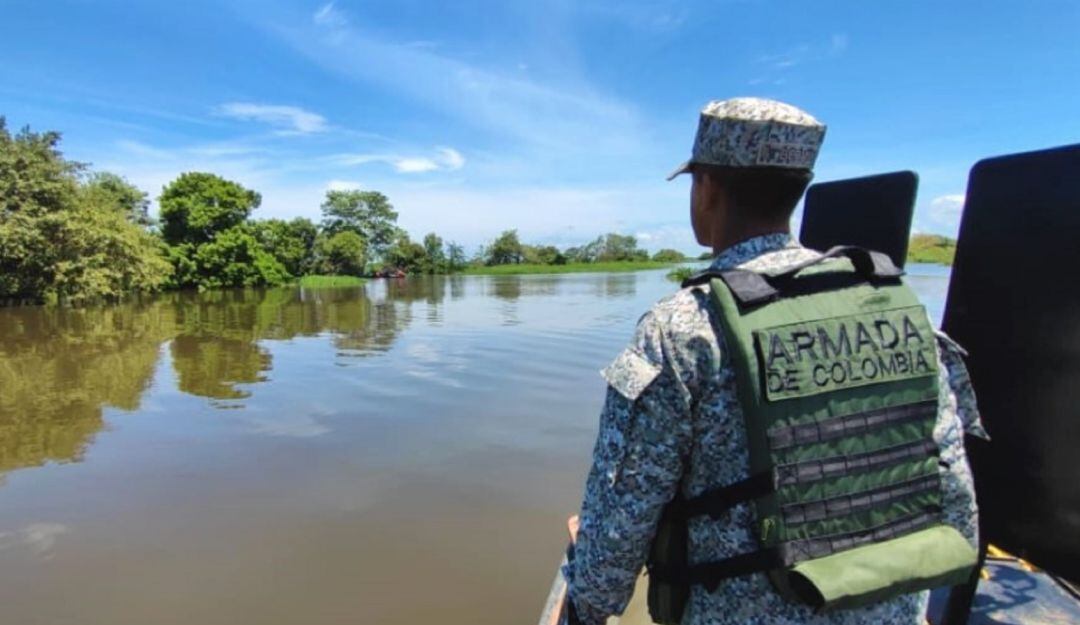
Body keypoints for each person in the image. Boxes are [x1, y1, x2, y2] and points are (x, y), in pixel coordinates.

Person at [562, 98, 987, 625]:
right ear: (798, 189)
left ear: (707, 188)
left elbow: (607, 562)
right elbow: (956, 504)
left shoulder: (681, 329)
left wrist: (587, 579)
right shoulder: (901, 308)